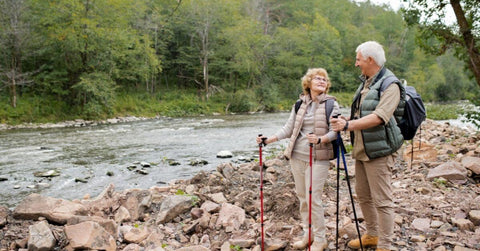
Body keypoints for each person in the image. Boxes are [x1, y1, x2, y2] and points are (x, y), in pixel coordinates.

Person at [330, 41, 405, 251]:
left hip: (380, 151)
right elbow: (362, 113)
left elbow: (380, 117)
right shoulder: (367, 82)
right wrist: (346, 119)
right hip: (362, 149)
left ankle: (385, 245)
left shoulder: (391, 84)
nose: (356, 64)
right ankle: (372, 235)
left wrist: (348, 125)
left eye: (359, 59)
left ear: (370, 60)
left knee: (382, 200)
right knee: (363, 194)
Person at [256, 68, 339, 251]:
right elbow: (289, 128)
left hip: (318, 157)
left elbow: (336, 130)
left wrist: (321, 139)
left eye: (324, 79)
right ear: (308, 83)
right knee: (302, 197)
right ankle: (307, 234)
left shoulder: (331, 104)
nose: (321, 81)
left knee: (313, 198)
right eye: (317, 78)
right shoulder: (299, 104)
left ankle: (320, 239)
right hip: (297, 156)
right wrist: (269, 139)